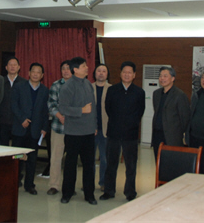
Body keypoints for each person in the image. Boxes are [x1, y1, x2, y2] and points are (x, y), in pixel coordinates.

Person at [100, 61, 145, 202]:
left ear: (134, 75)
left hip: (131, 134)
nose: (127, 75)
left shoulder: (139, 92)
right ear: (120, 74)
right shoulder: (112, 90)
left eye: (129, 72)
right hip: (113, 133)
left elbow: (140, 112)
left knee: (131, 165)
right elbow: (108, 108)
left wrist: (129, 124)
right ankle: (109, 191)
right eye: (124, 72)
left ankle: (130, 192)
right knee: (111, 164)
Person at [58, 57, 97, 205]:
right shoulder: (67, 86)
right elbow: (63, 108)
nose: (87, 68)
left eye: (86, 65)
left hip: (88, 132)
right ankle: (67, 193)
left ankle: (89, 194)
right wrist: (81, 110)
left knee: (89, 165)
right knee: (70, 165)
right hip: (73, 133)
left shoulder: (88, 84)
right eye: (83, 66)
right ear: (75, 70)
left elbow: (93, 109)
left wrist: (94, 126)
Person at [11, 63, 49, 195]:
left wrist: (44, 128)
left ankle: (29, 185)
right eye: (33, 71)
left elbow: (45, 111)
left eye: (38, 72)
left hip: (35, 130)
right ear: (28, 73)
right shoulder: (19, 86)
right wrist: (22, 119)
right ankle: (15, 182)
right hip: (20, 128)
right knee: (17, 157)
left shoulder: (44, 90)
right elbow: (14, 105)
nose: (35, 74)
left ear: (42, 75)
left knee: (32, 159)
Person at [151, 66, 190, 159]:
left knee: (171, 163)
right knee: (158, 162)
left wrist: (180, 134)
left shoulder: (180, 95)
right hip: (157, 135)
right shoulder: (156, 93)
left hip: (172, 137)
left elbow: (185, 119)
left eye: (165, 76)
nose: (162, 78)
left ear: (173, 78)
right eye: (160, 76)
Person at [46, 60, 72, 195]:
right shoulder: (56, 85)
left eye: (68, 68)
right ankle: (54, 185)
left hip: (74, 128)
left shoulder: (78, 85)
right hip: (58, 127)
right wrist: (61, 116)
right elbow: (51, 105)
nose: (66, 71)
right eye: (63, 68)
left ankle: (69, 186)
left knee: (71, 159)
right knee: (56, 157)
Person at [92, 63, 111, 191]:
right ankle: (88, 182)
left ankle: (103, 182)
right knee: (89, 158)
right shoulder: (88, 87)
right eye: (99, 70)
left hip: (106, 129)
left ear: (107, 74)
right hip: (90, 129)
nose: (101, 73)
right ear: (95, 73)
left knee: (105, 158)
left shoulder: (112, 89)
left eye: (104, 71)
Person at [0, 57, 27, 146]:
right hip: (3, 122)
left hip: (18, 122)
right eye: (10, 65)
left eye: (15, 65)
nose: (12, 67)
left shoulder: (24, 83)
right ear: (6, 67)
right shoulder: (0, 82)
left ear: (19, 67)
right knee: (3, 149)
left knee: (17, 149)